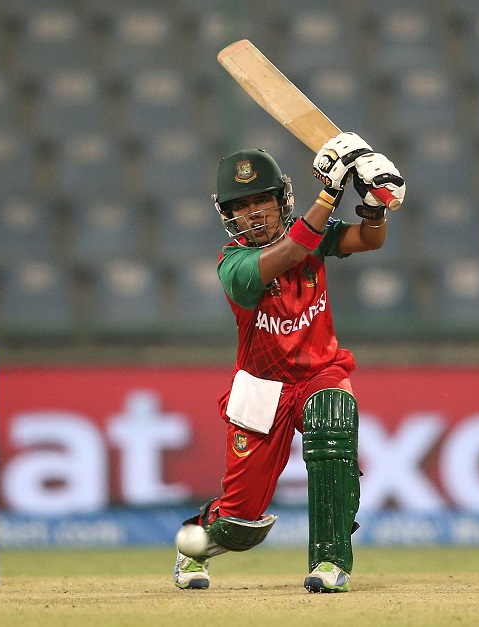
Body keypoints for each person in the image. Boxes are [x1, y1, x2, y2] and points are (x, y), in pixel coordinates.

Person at [172, 132, 406, 593]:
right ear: (228, 215)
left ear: (282, 202)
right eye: (242, 206)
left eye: (263, 201)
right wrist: (331, 192)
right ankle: (192, 546)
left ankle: (329, 561)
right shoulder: (233, 264)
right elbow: (293, 251)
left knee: (332, 416)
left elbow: (368, 239)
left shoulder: (312, 234)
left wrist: (375, 201)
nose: (254, 213)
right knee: (239, 520)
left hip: (321, 372)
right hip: (262, 388)